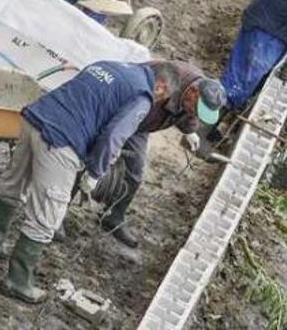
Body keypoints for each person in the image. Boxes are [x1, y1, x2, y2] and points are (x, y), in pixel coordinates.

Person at [0, 60, 172, 304]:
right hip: (61, 143)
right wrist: (95, 173)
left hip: (35, 117)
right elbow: (113, 136)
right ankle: (17, 281)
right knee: (47, 213)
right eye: (161, 99)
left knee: (12, 186)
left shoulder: (110, 65)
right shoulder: (142, 96)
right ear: (161, 87)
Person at [96, 61, 226, 248]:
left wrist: (189, 130)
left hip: (141, 126)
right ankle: (59, 211)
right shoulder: (167, 82)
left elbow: (188, 114)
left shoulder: (198, 94)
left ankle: (114, 216)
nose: (196, 115)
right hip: (120, 110)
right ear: (192, 92)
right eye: (196, 110)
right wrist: (116, 140)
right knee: (88, 157)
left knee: (135, 172)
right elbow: (133, 99)